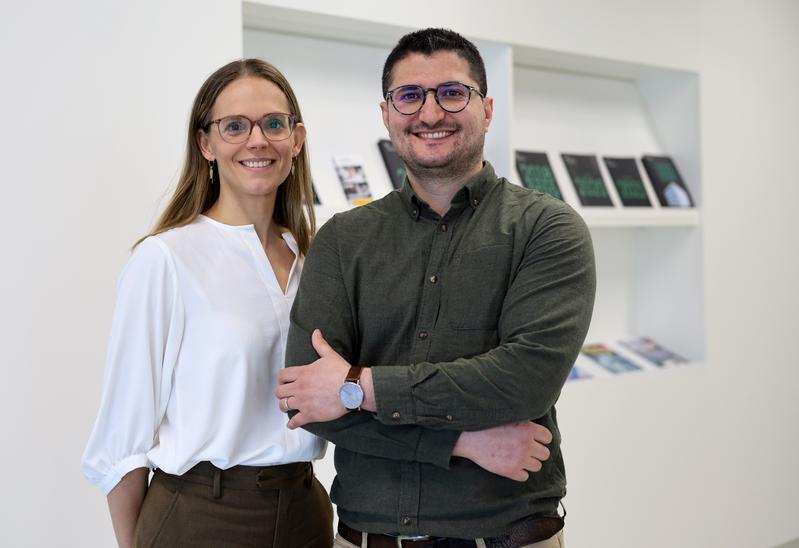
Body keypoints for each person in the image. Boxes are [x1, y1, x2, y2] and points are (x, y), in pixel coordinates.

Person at [276, 28, 596, 547]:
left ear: (487, 109)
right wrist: (460, 440)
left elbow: (523, 382)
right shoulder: (342, 239)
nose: (429, 114)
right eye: (409, 96)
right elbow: (305, 400)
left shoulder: (547, 230)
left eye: (452, 93)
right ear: (387, 114)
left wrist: (357, 386)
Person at [82, 58, 333, 548]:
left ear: (296, 140)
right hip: (202, 517)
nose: (257, 140)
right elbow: (122, 440)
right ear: (206, 144)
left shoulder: (316, 259)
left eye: (274, 124)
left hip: (305, 509)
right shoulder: (166, 260)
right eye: (234, 126)